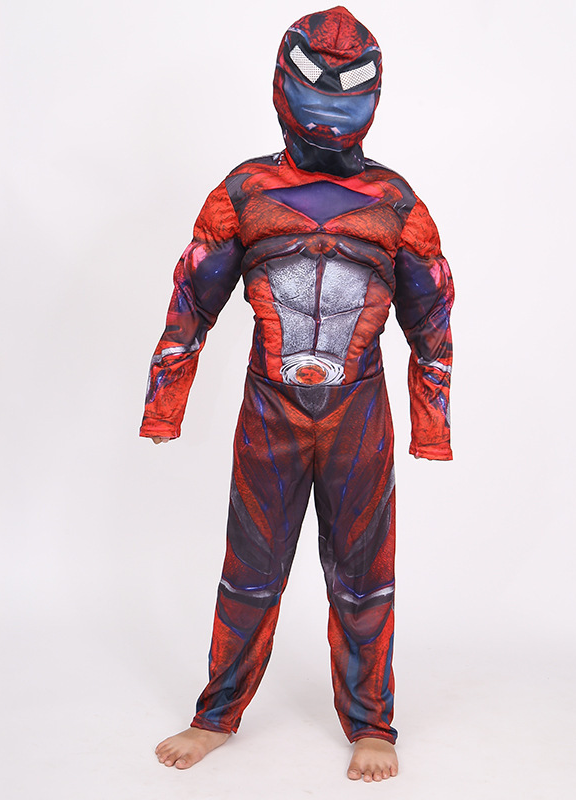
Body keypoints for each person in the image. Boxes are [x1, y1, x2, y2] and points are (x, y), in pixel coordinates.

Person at [140, 6, 454, 782]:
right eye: (319, 82)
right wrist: (164, 404)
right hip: (270, 412)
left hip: (357, 413)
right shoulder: (245, 191)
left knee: (364, 576)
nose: (331, 105)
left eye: (348, 87)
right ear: (285, 84)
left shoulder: (397, 202)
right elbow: (192, 299)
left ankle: (372, 723)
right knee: (249, 571)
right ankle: (216, 716)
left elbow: (432, 317)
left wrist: (432, 424)